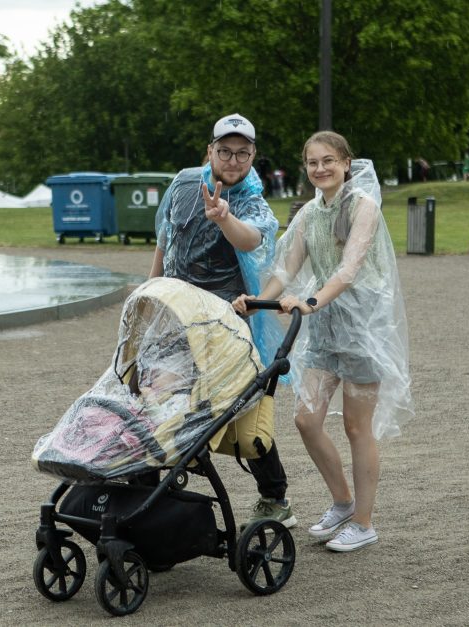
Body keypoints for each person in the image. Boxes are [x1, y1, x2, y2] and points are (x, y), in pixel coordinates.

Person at [234, 130, 413, 552]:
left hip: (361, 328)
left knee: (356, 426)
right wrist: (259, 300)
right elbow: (286, 269)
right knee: (306, 419)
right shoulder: (309, 214)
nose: (320, 169)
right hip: (323, 327)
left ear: (346, 163)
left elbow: (349, 268)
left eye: (328, 160)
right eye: (313, 163)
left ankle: (364, 523)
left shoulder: (363, 206)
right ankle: (342, 502)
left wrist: (311, 301)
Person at [150, 113, 295, 529]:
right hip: (174, 313)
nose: (233, 160)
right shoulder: (182, 183)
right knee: (160, 400)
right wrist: (150, 291)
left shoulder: (251, 198)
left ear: (253, 157)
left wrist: (223, 217)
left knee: (242, 414)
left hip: (223, 321)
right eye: (225, 151)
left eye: (243, 153)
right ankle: (152, 492)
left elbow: (253, 238)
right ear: (209, 151)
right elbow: (165, 238)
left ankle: (275, 497)